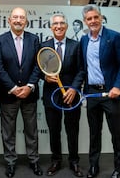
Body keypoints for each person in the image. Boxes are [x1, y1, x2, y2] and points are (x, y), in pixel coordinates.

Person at [80, 4, 120, 178]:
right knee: (94, 133)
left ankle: (119, 168)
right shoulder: (84, 40)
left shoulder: (114, 37)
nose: (93, 21)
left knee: (117, 134)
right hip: (92, 94)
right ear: (85, 21)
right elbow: (83, 68)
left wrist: (117, 86)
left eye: (95, 17)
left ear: (100, 18)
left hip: (111, 94)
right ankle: (94, 166)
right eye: (89, 19)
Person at [0, 7, 43, 178]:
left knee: (32, 130)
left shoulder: (34, 39)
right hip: (9, 94)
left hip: (30, 94)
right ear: (9, 20)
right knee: (8, 131)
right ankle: (10, 162)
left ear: (26, 21)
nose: (18, 20)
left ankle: (34, 160)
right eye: (15, 17)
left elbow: (39, 65)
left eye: (22, 17)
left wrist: (29, 86)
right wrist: (13, 88)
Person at [41, 13, 85, 177]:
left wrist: (74, 88)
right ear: (51, 27)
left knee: (72, 130)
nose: (58, 26)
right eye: (55, 24)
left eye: (61, 23)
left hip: (71, 95)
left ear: (66, 26)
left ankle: (74, 161)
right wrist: (44, 76)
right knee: (54, 130)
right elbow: (38, 69)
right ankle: (56, 161)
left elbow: (82, 70)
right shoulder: (44, 46)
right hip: (50, 95)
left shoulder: (77, 45)